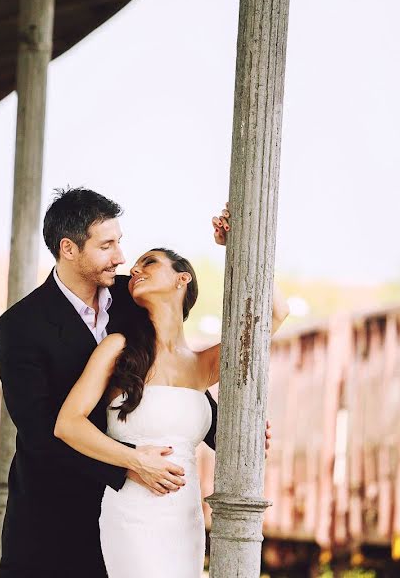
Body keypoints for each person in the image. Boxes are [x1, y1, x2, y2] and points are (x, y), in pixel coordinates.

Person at [0, 188, 222, 578]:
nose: (120, 258)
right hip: (54, 517)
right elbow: (40, 433)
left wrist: (223, 429)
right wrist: (129, 467)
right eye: (107, 246)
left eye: (120, 242)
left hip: (145, 513)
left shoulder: (133, 296)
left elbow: (169, 372)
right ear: (69, 248)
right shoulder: (20, 326)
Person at [54, 246, 288, 577]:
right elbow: (68, 425)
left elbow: (278, 312)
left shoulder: (203, 364)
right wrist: (134, 459)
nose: (134, 270)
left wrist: (239, 243)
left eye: (148, 263)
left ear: (182, 279)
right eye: (133, 268)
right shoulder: (117, 349)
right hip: (131, 513)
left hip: (185, 518)